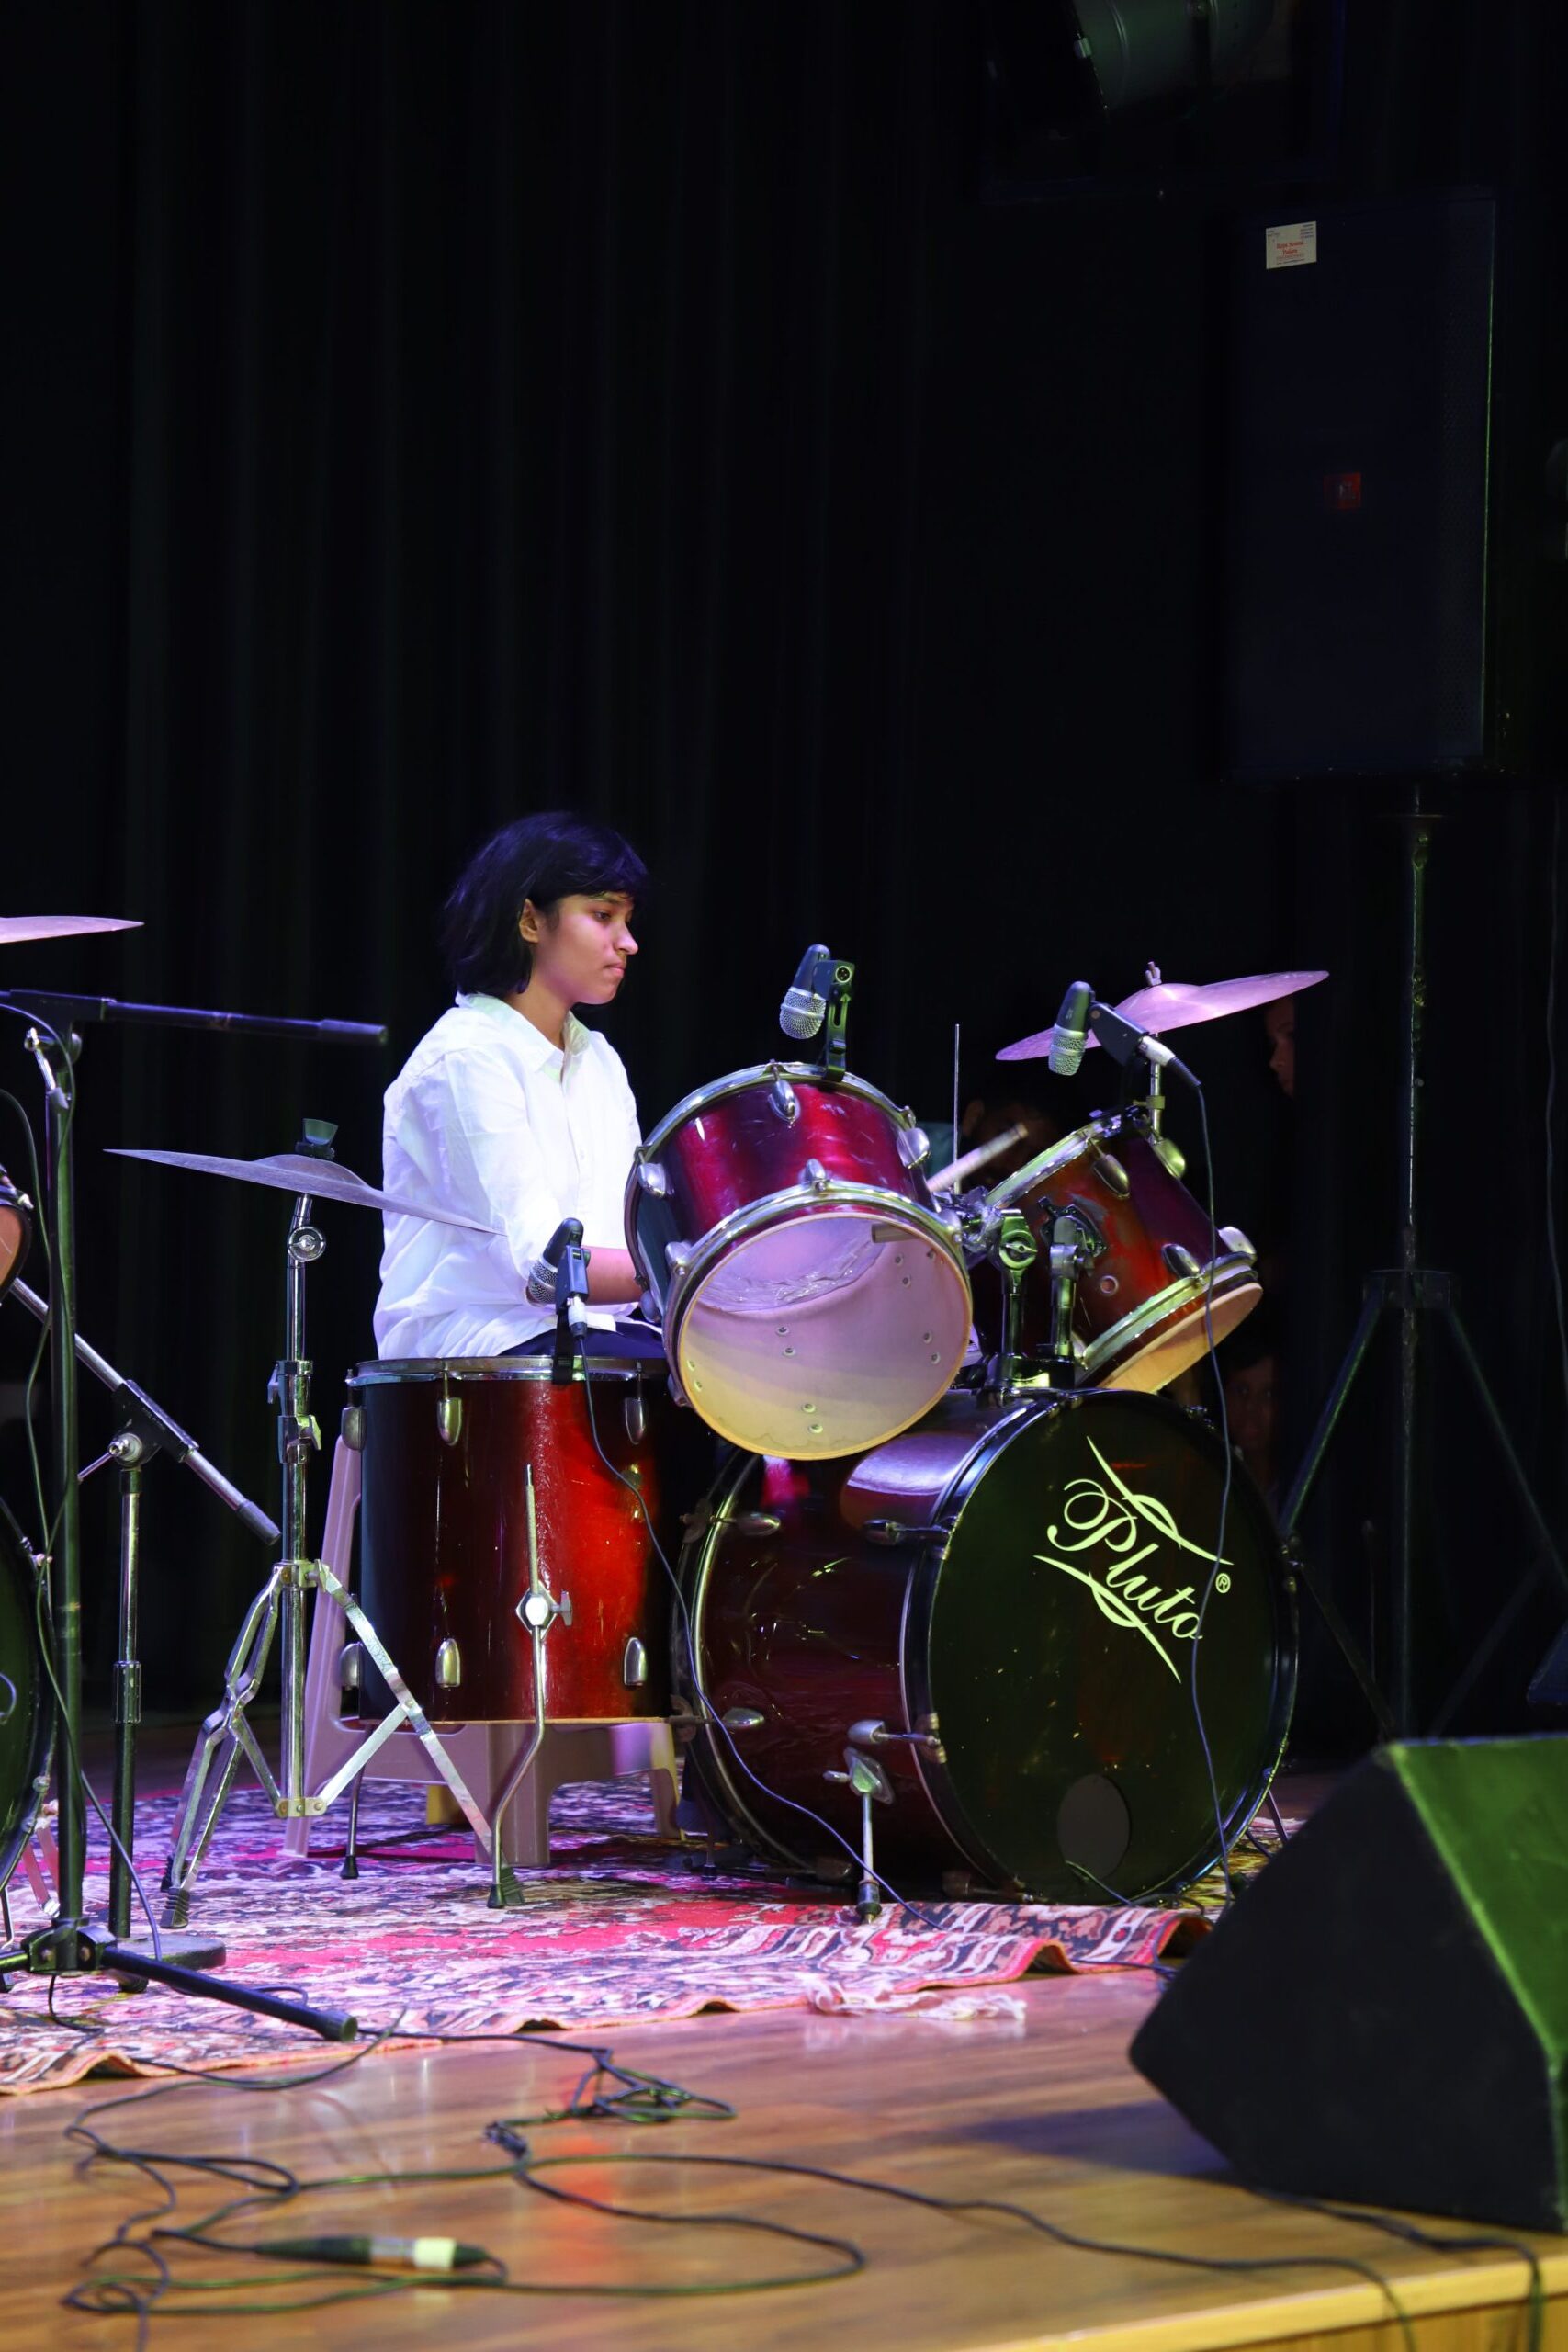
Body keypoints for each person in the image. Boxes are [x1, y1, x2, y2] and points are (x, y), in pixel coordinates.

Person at [374, 810, 661, 1361]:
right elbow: (543, 1269)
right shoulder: (467, 1055)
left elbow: (629, 1238)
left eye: (628, 920)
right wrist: (687, 1271)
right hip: (476, 1345)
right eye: (603, 916)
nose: (628, 942)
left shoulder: (600, 1061)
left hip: (594, 1334)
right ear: (530, 921)